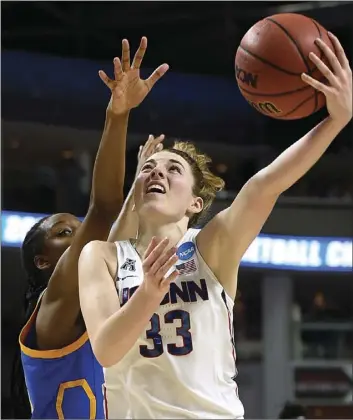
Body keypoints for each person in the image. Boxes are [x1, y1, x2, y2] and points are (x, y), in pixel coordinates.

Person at [78, 33, 352, 419]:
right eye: (150, 170)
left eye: (174, 170)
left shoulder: (210, 248)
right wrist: (148, 294)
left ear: (195, 203)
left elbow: (265, 185)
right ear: (136, 191)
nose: (159, 173)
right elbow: (105, 350)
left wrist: (336, 120)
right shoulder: (102, 257)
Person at [12, 37, 169, 419]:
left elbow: (115, 230)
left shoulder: (101, 314)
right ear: (43, 262)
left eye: (77, 228)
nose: (80, 236)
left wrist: (139, 185)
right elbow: (103, 213)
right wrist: (118, 116)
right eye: (64, 234)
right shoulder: (52, 307)